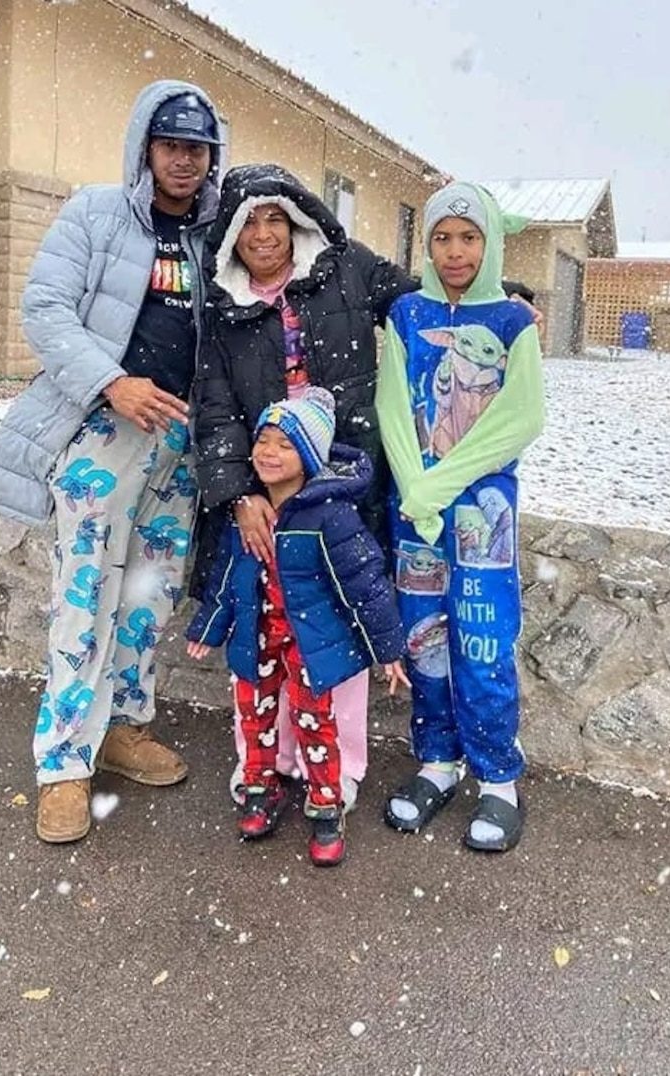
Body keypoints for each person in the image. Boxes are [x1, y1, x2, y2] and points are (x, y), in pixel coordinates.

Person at [0, 80, 224, 843]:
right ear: (146, 146)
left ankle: (121, 730)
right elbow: (45, 310)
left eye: (198, 148)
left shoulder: (216, 234)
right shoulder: (95, 214)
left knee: (148, 596)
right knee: (85, 598)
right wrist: (114, 382)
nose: (184, 161)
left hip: (180, 445)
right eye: (171, 144)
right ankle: (64, 764)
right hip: (101, 434)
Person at [190, 162, 419, 812]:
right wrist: (240, 494)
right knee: (268, 628)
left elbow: (420, 300)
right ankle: (270, 761)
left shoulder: (346, 269)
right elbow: (215, 409)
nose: (264, 234)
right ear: (231, 235)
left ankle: (336, 769)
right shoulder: (225, 307)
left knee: (335, 621)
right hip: (266, 490)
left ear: (297, 221)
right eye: (249, 222)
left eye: (276, 218)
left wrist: (501, 299)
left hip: (339, 485)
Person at [376, 181, 545, 852]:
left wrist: (437, 487)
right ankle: (437, 763)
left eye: (469, 237)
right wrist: (414, 489)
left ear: (491, 243)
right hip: (414, 512)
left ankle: (499, 777)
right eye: (442, 238)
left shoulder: (511, 323)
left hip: (480, 514)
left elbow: (519, 418)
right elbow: (393, 407)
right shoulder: (407, 315)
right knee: (425, 637)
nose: (455, 251)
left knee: (482, 639)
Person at [186, 388, 408, 866]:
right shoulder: (249, 515)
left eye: (285, 445)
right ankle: (260, 786)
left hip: (309, 643)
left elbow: (365, 582)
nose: (269, 452)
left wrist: (388, 648)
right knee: (254, 714)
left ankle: (326, 803)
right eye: (263, 441)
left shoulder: (330, 515)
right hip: (257, 636)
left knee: (314, 721)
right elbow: (228, 576)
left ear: (308, 455)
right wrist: (208, 627)